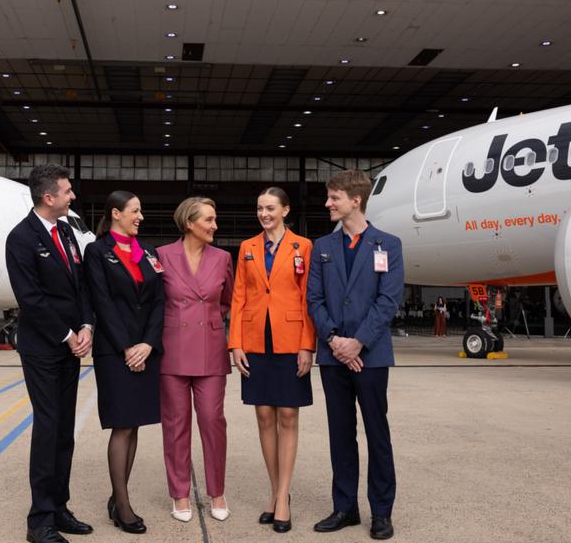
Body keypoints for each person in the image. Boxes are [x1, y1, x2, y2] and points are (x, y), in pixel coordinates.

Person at [306, 169, 404, 540]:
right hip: (334, 357)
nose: (328, 204)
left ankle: (381, 511)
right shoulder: (323, 248)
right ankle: (345, 507)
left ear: (355, 200)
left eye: (334, 198)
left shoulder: (388, 244)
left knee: (377, 434)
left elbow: (388, 300)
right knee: (340, 434)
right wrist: (334, 341)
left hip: (371, 356)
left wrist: (358, 342)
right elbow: (313, 299)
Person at [5, 165, 94, 543]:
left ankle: (59, 506)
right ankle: (39, 519)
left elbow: (82, 285)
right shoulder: (21, 239)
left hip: (71, 346)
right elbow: (31, 299)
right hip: (44, 348)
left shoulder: (68, 233)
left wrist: (87, 325)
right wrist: (67, 335)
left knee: (64, 431)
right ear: (49, 197)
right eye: (67, 191)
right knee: (47, 428)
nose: (73, 196)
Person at [229, 187, 315, 533]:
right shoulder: (247, 248)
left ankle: (282, 498)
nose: (264, 214)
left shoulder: (303, 246)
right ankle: (275, 490)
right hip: (254, 339)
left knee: (288, 415)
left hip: (291, 338)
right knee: (264, 415)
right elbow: (238, 297)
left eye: (270, 208)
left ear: (285, 210)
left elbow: (309, 296)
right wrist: (235, 343)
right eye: (260, 208)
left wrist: (308, 345)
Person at [83, 191, 165, 535]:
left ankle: (119, 498)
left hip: (145, 350)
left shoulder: (149, 253)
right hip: (114, 353)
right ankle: (123, 503)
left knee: (133, 425)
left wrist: (147, 343)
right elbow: (101, 301)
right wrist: (127, 347)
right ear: (115, 213)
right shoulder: (97, 252)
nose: (140, 216)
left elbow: (160, 300)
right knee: (121, 425)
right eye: (135, 211)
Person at [156, 197, 234, 523]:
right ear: (189, 223)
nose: (215, 226)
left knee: (213, 422)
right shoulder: (161, 255)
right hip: (172, 349)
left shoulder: (223, 257)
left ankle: (217, 491)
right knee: (175, 426)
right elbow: (154, 302)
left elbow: (228, 301)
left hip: (211, 350)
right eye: (209, 220)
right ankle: (180, 494)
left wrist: (211, 323)